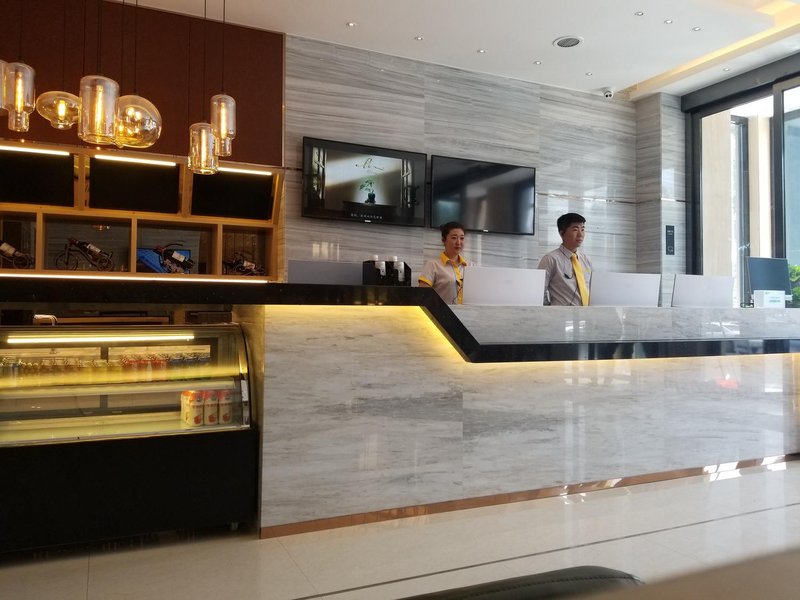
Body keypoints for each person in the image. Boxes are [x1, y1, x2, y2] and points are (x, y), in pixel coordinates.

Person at [538, 213, 592, 306]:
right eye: (575, 229)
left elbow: (592, 289)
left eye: (582, 229)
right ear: (562, 233)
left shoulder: (586, 259)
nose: (580, 234)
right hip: (561, 314)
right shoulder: (550, 259)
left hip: (588, 313)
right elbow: (539, 292)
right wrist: (550, 311)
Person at [419, 222, 468, 304]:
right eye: (454, 238)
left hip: (469, 311)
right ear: (443, 240)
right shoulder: (433, 265)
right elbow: (423, 295)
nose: (458, 242)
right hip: (442, 312)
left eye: (462, 238)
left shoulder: (470, 266)